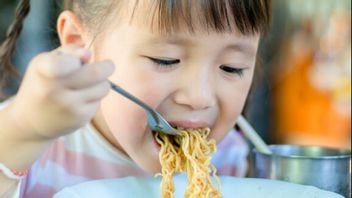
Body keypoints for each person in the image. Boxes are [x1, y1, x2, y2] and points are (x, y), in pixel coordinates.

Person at [0, 0, 271, 197]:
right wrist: (26, 128)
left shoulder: (227, 160)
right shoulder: (34, 145)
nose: (199, 98)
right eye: (165, 60)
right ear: (79, 43)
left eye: (232, 67)